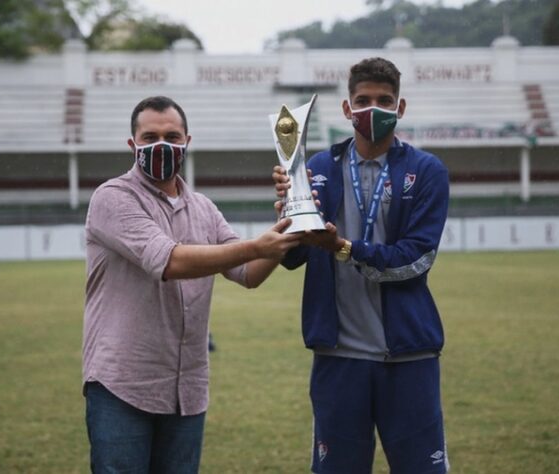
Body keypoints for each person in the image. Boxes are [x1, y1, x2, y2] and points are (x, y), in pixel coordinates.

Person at [83, 95, 301, 474]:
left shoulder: (203, 207)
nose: (161, 145)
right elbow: (170, 260)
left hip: (187, 389)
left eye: (172, 135)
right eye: (149, 137)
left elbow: (248, 273)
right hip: (123, 385)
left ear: (187, 141)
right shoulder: (112, 198)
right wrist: (256, 245)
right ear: (132, 145)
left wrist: (289, 223)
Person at [274, 57, 450, 473]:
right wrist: (287, 213)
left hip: (408, 356)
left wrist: (345, 248)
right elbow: (292, 258)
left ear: (400, 108)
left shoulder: (426, 171)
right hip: (339, 356)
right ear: (347, 109)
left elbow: (417, 259)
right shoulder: (315, 167)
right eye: (363, 100)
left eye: (385, 101)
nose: (374, 109)